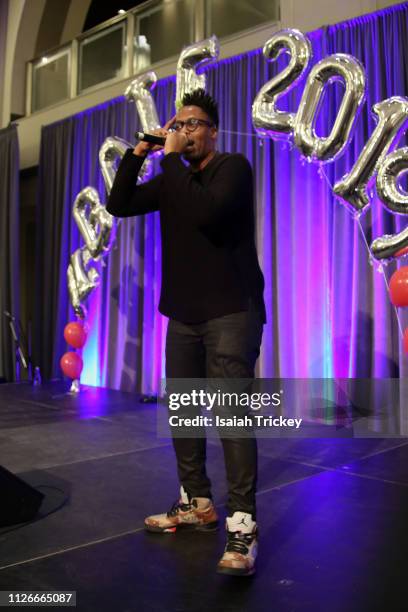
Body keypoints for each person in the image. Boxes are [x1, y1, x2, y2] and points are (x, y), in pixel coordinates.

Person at [106, 89, 266, 577]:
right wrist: (138, 156)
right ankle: (196, 501)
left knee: (232, 418)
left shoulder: (232, 168)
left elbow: (206, 213)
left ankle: (243, 524)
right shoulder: (172, 178)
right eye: (179, 124)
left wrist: (170, 160)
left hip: (230, 312)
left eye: (194, 124)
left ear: (213, 131)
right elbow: (119, 204)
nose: (185, 130)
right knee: (184, 412)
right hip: (183, 315)